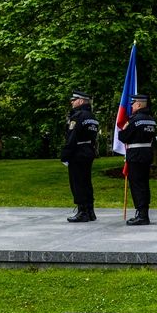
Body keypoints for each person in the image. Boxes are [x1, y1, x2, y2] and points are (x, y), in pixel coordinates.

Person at [119, 94, 157, 226]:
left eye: (133, 104)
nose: (131, 106)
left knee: (136, 184)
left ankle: (141, 215)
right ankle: (144, 212)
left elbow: (123, 136)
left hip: (136, 154)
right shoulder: (151, 119)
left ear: (139, 104)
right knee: (144, 184)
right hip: (146, 153)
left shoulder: (134, 120)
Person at [61, 91, 100, 223]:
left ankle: (82, 211)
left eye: (74, 99)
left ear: (81, 101)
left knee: (77, 182)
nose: (72, 102)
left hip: (77, 152)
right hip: (88, 150)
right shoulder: (92, 117)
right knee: (86, 181)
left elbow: (72, 137)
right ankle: (90, 211)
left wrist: (65, 154)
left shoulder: (77, 116)